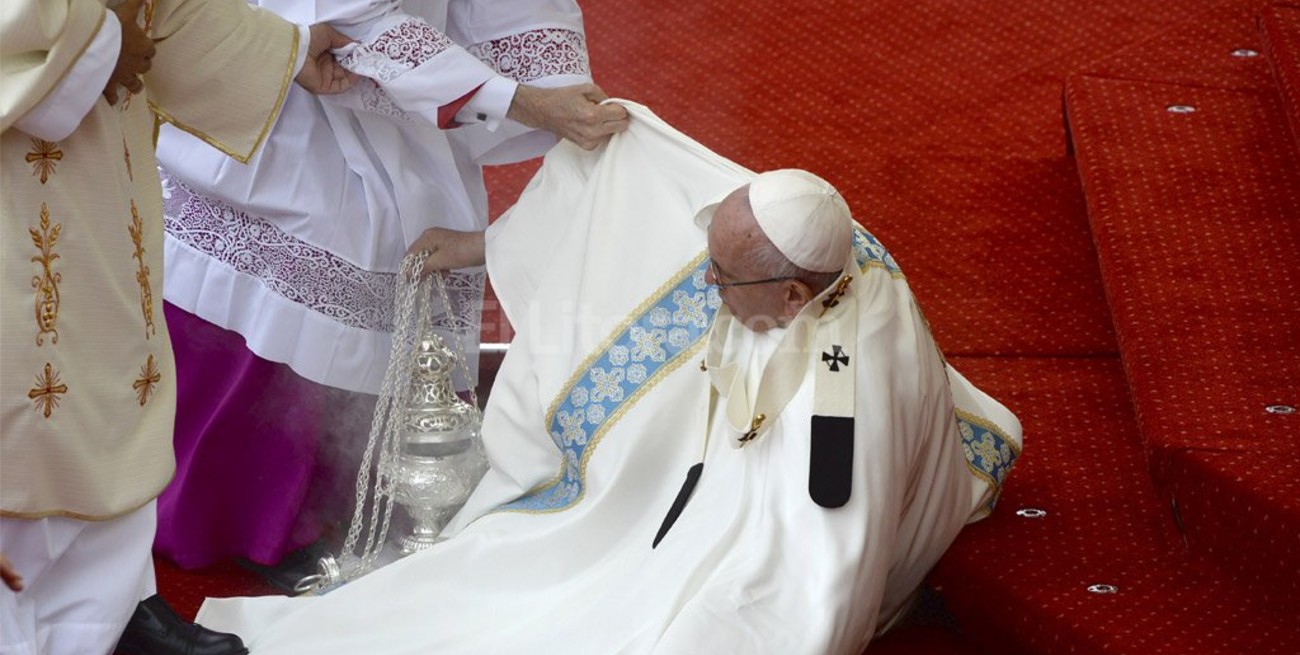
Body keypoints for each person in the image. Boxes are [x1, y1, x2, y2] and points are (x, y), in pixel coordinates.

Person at [193, 101, 1021, 654]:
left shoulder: (843, 397)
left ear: (796, 296)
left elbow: (822, 573)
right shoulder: (795, 229)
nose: (705, 287)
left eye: (724, 281)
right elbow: (644, 204)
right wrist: (483, 244)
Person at [151, 0, 630, 586]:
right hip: (292, 80)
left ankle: (351, 504)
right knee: (324, 243)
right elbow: (351, 18)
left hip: (415, 93)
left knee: (406, 241)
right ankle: (243, 516)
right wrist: (521, 101)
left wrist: (558, 90)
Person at [0, 1, 355, 654]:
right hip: (20, 158)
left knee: (105, 375)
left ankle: (108, 611)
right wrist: (94, 41)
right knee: (28, 396)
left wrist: (284, 51)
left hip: (100, 154)